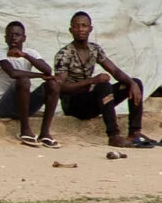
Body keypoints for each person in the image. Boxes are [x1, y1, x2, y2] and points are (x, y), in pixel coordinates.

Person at [51, 10, 155, 149]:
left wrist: (131, 83)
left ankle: (134, 133)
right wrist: (92, 81)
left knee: (135, 83)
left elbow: (115, 71)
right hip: (74, 104)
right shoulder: (64, 54)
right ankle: (113, 135)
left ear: (90, 29)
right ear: (71, 30)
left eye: (84, 26)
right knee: (103, 86)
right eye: (76, 26)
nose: (80, 29)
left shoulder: (94, 49)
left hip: (91, 101)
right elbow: (61, 87)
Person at [0, 21, 57, 147]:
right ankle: (25, 131)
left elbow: (48, 70)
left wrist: (25, 55)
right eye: (10, 35)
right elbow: (13, 73)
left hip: (25, 106)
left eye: (17, 35)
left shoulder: (30, 53)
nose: (13, 38)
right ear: (5, 38)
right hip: (6, 106)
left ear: (24, 38)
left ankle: (45, 133)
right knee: (23, 79)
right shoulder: (0, 54)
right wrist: (40, 76)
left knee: (53, 84)